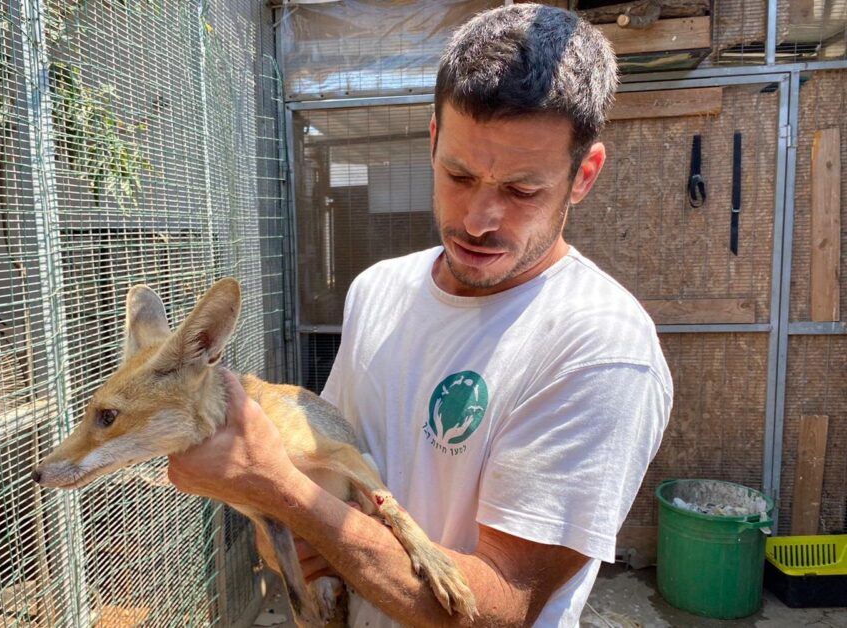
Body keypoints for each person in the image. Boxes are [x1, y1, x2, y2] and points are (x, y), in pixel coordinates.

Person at [167, 4, 673, 626]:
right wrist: (292, 526)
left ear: (583, 175)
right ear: (432, 141)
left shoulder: (599, 346)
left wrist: (284, 495)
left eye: (521, 190)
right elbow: (332, 469)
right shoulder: (377, 289)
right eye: (458, 174)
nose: (478, 219)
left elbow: (503, 605)